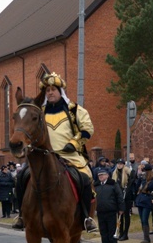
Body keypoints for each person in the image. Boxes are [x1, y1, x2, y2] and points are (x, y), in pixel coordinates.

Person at [12, 72, 98, 232]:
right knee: (21, 177)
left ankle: (87, 217)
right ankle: (22, 215)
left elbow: (87, 129)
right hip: (44, 156)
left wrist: (74, 143)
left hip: (69, 155)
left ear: (60, 91)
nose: (50, 92)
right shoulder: (38, 111)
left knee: (85, 179)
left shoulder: (75, 110)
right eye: (47, 90)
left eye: (53, 89)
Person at [94, 168, 124, 243]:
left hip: (111, 210)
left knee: (112, 229)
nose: (100, 176)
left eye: (102, 175)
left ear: (107, 175)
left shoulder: (113, 184)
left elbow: (119, 196)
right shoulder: (96, 185)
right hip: (100, 211)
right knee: (103, 230)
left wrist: (121, 208)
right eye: (99, 175)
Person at [134, 164, 153, 243]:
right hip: (140, 200)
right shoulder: (142, 178)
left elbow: (151, 187)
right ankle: (145, 237)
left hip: (147, 200)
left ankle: (146, 238)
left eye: (145, 171)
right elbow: (137, 187)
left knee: (144, 219)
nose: (144, 173)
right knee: (142, 220)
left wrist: (145, 183)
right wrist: (139, 179)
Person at [111, 159, 133, 240]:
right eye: (118, 164)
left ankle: (125, 233)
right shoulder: (115, 173)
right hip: (119, 197)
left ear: (123, 165)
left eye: (121, 164)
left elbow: (131, 182)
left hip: (127, 197)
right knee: (119, 215)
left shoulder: (127, 172)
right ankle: (120, 232)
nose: (119, 165)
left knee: (126, 215)